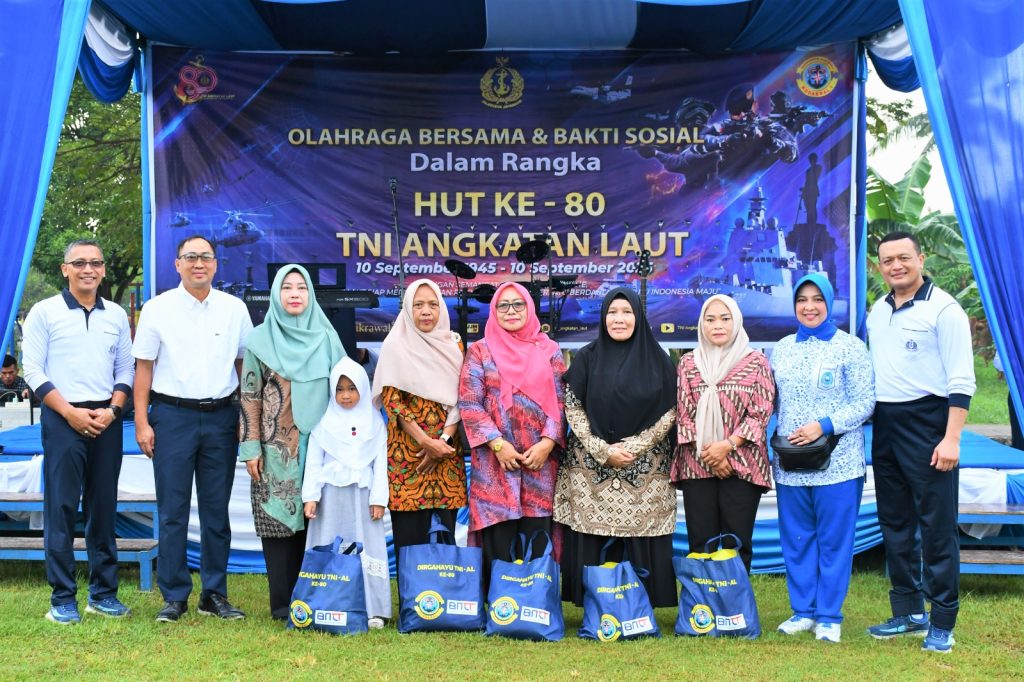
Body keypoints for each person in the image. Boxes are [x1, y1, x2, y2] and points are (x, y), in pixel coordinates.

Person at [132, 235, 254, 623]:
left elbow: (244, 366)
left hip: (221, 417)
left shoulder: (234, 309)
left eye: (206, 257)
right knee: (173, 511)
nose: (198, 263)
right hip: (172, 417)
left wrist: (244, 419)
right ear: (177, 264)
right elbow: (143, 368)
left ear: (215, 264)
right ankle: (174, 596)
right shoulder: (157, 309)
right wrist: (141, 422)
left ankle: (214, 594)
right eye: (191, 257)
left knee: (217, 510)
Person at [866, 231, 975, 654]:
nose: (896, 266)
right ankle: (909, 612)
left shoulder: (944, 309)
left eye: (903, 258)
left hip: (930, 423)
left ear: (921, 259)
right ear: (879, 267)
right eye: (887, 260)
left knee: (937, 525)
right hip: (886, 424)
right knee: (895, 522)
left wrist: (951, 439)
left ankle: (942, 620)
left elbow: (961, 380)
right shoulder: (878, 311)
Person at [21, 239, 134, 623]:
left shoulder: (115, 314)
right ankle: (62, 598)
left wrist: (113, 410)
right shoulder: (44, 312)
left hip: (106, 418)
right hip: (62, 417)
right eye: (80, 262)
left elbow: (126, 369)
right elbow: (33, 370)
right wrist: (70, 413)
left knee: (103, 508)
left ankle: (103, 594)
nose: (89, 269)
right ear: (65, 269)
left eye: (96, 263)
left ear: (103, 269)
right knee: (62, 508)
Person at [554, 287, 678, 607]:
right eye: (612, 312)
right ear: (603, 317)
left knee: (641, 539)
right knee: (591, 539)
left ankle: (640, 604)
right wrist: (602, 450)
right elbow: (573, 407)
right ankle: (594, 604)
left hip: (644, 472)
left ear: (639, 317)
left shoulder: (659, 360)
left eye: (626, 312)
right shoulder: (587, 357)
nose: (618, 319)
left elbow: (671, 412)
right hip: (592, 470)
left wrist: (635, 446)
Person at [771, 274, 875, 643]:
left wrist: (824, 425)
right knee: (797, 539)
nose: (809, 306)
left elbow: (865, 403)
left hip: (838, 462)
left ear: (830, 303)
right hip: (791, 464)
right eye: (802, 300)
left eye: (817, 299)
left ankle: (829, 616)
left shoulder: (851, 347)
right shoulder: (782, 348)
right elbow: (772, 401)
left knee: (834, 541)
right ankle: (803, 611)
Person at [238, 264, 344, 621]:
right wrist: (250, 447)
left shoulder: (327, 338)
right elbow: (249, 396)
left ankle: (318, 597)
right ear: (275, 295)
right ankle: (283, 605)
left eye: (301, 287)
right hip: (275, 448)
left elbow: (345, 392)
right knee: (278, 522)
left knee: (319, 519)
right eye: (287, 288)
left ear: (311, 294)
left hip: (322, 446)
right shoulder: (259, 340)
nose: (295, 294)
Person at [459, 282, 566, 587]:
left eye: (518, 304)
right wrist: (497, 444)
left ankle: (538, 602)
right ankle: (499, 603)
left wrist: (547, 442)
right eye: (503, 305)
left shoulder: (550, 350)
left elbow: (561, 401)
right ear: (494, 311)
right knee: (499, 539)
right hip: (495, 465)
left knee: (537, 537)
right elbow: (469, 402)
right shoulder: (480, 351)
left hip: (539, 463)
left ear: (529, 308)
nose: (511, 311)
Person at [672, 294, 775, 572]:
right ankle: (702, 599)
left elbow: (760, 412)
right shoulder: (689, 363)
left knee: (736, 544)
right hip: (697, 463)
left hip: (742, 463)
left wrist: (727, 446)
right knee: (700, 544)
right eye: (710, 319)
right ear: (701, 325)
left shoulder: (756, 362)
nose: (718, 325)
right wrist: (711, 456)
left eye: (725, 318)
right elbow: (683, 413)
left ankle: (734, 599)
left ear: (736, 321)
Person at [371, 279, 466, 570]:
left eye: (433, 304)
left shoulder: (454, 345)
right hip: (408, 457)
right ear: (408, 309)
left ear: (442, 309)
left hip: (447, 456)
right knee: (410, 540)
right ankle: (413, 597)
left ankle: (447, 595)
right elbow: (393, 402)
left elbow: (462, 397)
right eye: (418, 305)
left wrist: (443, 442)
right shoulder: (395, 345)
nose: (426, 311)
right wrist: (426, 443)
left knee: (445, 539)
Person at [303, 357, 391, 629]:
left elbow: (380, 464)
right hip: (330, 498)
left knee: (366, 545)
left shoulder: (375, 423)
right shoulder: (324, 422)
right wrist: (310, 496)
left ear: (363, 387)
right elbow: (314, 462)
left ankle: (372, 608)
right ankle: (324, 601)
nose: (345, 395)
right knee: (328, 542)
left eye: (352, 388)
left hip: (362, 498)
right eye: (339, 389)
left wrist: (379, 499)